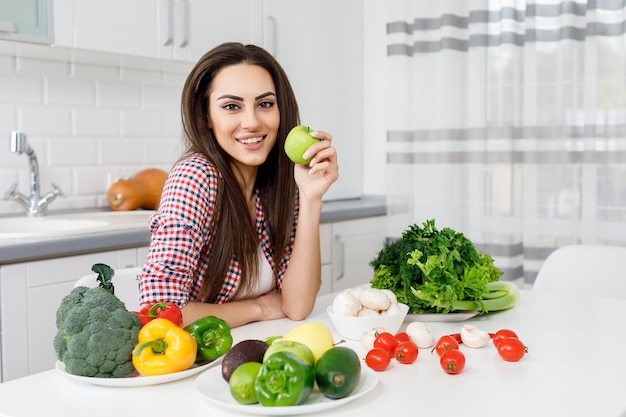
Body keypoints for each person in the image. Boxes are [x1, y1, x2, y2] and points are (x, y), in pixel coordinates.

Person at [137, 42, 339, 328]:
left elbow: (296, 306)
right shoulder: (195, 178)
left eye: (265, 104)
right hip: (199, 359)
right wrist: (258, 307)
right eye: (232, 106)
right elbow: (159, 313)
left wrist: (310, 199)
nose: (252, 122)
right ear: (206, 115)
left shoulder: (279, 182)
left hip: (259, 347)